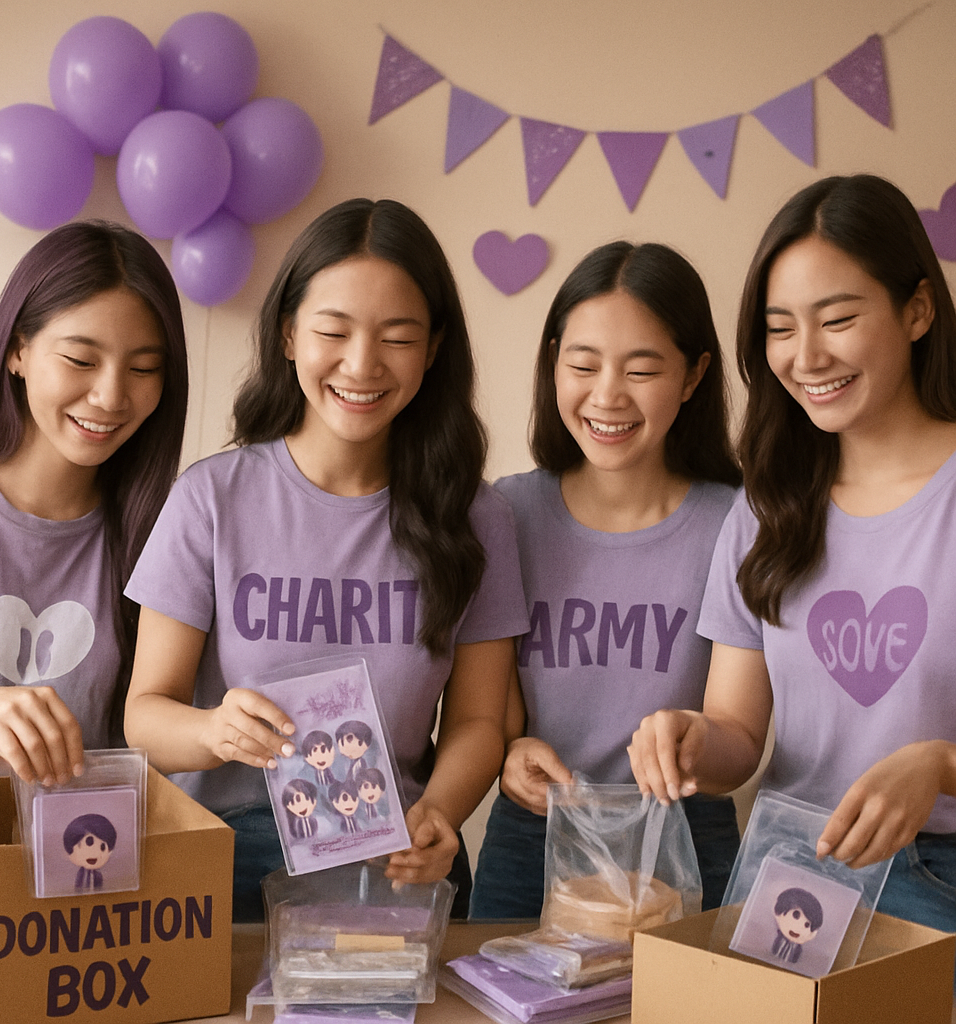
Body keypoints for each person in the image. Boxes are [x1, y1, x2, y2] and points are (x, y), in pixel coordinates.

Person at [123, 198, 527, 921]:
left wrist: (438, 812)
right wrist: (212, 730)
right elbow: (145, 714)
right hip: (221, 849)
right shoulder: (212, 497)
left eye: (397, 337)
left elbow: (476, 724)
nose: (362, 364)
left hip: (390, 850)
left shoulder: (477, 517)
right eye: (333, 331)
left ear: (433, 348)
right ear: (287, 335)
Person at [628, 173, 956, 934]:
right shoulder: (767, 505)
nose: (806, 356)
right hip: (790, 878)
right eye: (780, 328)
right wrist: (688, 737)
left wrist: (938, 766)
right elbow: (738, 738)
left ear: (916, 310)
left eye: (837, 318)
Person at [470, 241, 742, 918]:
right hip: (534, 835)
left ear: (693, 374)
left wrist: (695, 739)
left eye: (642, 369)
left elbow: (741, 742)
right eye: (583, 364)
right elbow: (494, 714)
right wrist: (512, 754)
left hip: (685, 834)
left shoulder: (737, 522)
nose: (607, 395)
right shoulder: (506, 513)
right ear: (553, 364)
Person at [0, 221, 188, 786]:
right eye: (80, 359)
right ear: (18, 350)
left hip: (82, 865)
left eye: (144, 369)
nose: (111, 396)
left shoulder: (166, 531)